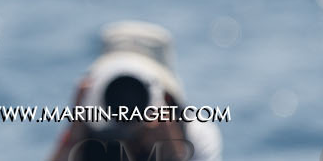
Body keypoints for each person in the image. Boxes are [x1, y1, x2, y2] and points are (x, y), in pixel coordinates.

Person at [46, 22, 222, 161]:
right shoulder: (88, 124)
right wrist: (73, 140)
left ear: (165, 95)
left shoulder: (193, 133)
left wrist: (173, 154)